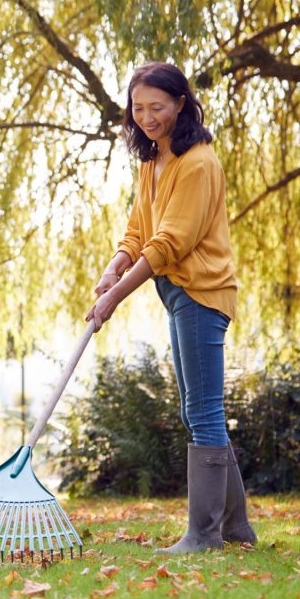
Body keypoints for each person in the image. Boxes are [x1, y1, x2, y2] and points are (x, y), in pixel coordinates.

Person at [86, 61, 257, 553]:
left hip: (203, 292)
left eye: (156, 107)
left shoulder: (198, 162)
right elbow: (139, 231)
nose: (146, 117)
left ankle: (203, 535)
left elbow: (169, 245)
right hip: (179, 294)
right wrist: (113, 268)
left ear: (182, 103)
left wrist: (116, 296)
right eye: (138, 109)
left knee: (203, 411)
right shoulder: (153, 159)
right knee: (196, 409)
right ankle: (236, 528)